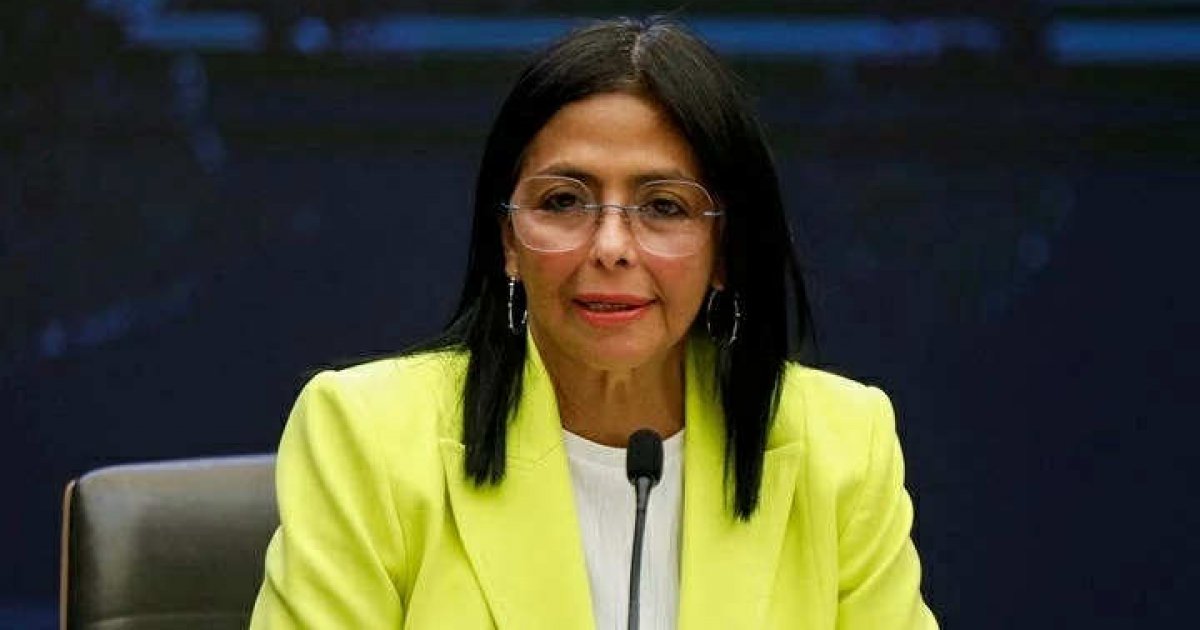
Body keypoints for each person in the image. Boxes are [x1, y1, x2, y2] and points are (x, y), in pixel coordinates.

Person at [250, 17, 938, 630]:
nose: (611, 246)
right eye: (563, 201)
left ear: (725, 250)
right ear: (508, 240)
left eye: (663, 206)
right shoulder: (369, 437)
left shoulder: (839, 446)